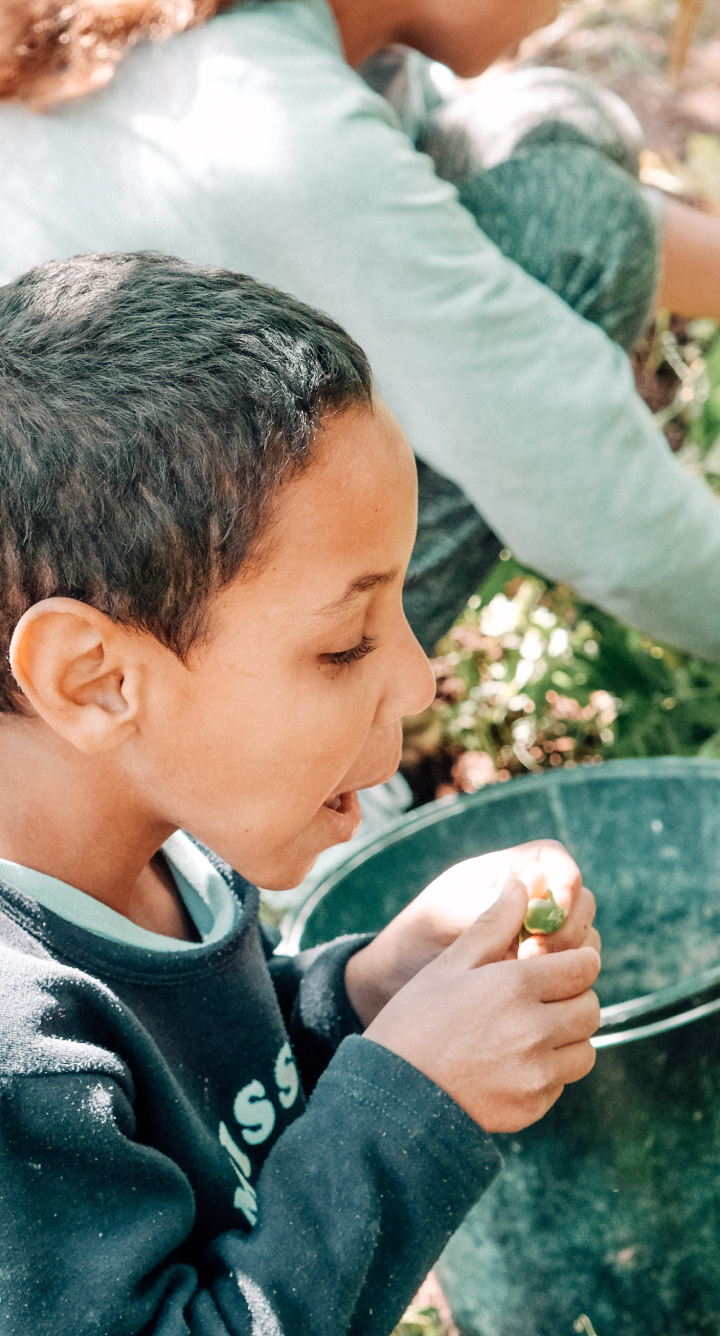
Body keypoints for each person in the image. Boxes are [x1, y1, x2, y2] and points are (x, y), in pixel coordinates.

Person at [0, 250, 601, 1335]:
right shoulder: (17, 1055)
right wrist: (413, 1102)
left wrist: (367, 993)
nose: (417, 681)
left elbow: (221, 1100)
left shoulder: (156, 853)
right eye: (342, 644)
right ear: (95, 680)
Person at [2, 1, 720, 660]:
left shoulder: (252, 43)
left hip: (137, 529)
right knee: (571, 217)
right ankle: (311, 754)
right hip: (143, 638)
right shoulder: (278, 131)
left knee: (549, 125)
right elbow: (583, 485)